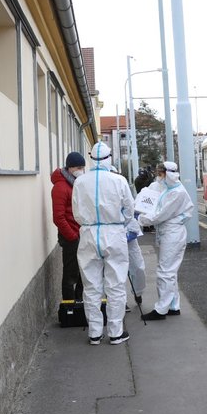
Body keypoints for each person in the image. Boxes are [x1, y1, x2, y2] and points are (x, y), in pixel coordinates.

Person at [71, 141, 135, 345]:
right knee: (115, 285)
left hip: (89, 233)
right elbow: (129, 210)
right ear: (109, 158)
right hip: (113, 232)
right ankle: (115, 332)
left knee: (91, 286)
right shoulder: (119, 180)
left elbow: (76, 212)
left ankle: (94, 332)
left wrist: (88, 224)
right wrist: (118, 223)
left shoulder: (80, 182)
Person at [139, 161, 194, 320]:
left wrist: (140, 220)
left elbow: (160, 215)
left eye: (161, 174)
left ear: (168, 174)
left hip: (172, 233)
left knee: (165, 272)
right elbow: (153, 193)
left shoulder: (177, 193)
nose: (158, 178)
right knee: (170, 271)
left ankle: (161, 309)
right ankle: (173, 306)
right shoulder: (169, 188)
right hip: (169, 233)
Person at [51, 152, 85, 302]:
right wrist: (72, 236)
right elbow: (58, 217)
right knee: (70, 273)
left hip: (80, 233)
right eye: (79, 167)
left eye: (83, 167)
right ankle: (69, 305)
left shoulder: (75, 183)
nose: (81, 170)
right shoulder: (60, 187)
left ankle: (79, 302)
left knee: (82, 272)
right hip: (70, 236)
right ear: (70, 168)